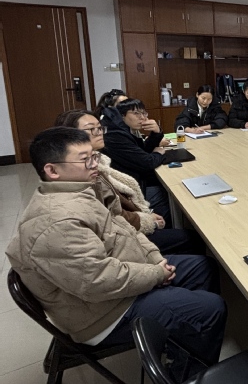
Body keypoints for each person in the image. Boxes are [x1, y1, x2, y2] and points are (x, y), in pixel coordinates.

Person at [5, 127, 226, 373]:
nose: (95, 165)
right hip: (104, 314)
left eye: (94, 156)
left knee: (203, 267)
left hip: (122, 275)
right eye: (85, 160)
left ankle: (184, 341)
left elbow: (124, 227)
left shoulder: (79, 191)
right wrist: (156, 274)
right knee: (210, 309)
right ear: (52, 170)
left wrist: (155, 259)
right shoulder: (56, 222)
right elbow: (98, 281)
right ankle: (187, 372)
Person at [55, 109, 204, 255]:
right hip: (124, 241)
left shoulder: (99, 157)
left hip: (132, 217)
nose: (99, 132)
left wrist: (156, 134)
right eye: (91, 129)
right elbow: (112, 218)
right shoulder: (85, 168)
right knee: (188, 227)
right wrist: (147, 220)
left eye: (99, 128)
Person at [100, 98, 172, 226]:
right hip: (130, 191)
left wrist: (156, 133)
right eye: (136, 113)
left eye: (144, 113)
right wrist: (158, 153)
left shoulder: (126, 129)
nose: (142, 118)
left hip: (136, 180)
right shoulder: (115, 135)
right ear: (122, 115)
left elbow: (142, 152)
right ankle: (160, 227)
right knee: (170, 194)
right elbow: (147, 162)